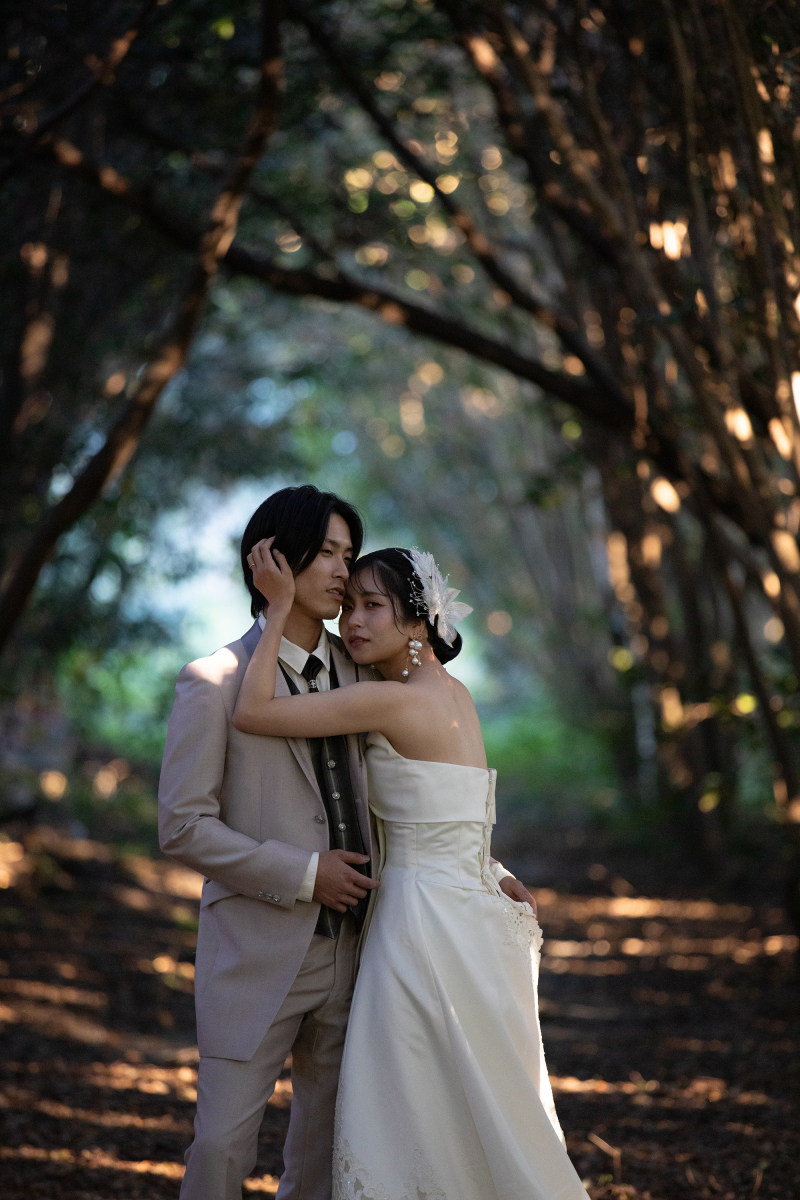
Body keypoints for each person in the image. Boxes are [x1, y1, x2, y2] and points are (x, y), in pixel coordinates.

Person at [233, 541, 590, 1200]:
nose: (354, 624)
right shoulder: (451, 693)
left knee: (413, 1109)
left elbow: (253, 712)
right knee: (466, 1106)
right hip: (470, 911)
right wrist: (495, 868)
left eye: (374, 607)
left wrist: (278, 607)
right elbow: (455, 815)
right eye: (350, 606)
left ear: (418, 621)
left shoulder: (394, 703)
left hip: (419, 924)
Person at [158, 485, 381, 1200]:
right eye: (324, 553)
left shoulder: (368, 669)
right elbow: (182, 826)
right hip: (254, 953)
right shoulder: (213, 683)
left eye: (350, 554)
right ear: (274, 559)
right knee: (222, 1149)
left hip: (358, 953)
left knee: (323, 1156)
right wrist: (302, 872)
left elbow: (416, 796)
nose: (343, 570)